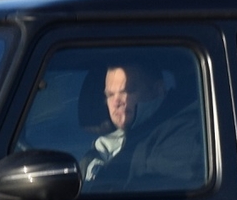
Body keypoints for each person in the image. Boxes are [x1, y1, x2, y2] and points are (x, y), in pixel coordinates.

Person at [83, 58, 201, 190]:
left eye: (128, 91)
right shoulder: (107, 146)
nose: (117, 102)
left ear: (158, 90)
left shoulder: (182, 131)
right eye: (110, 95)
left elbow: (151, 197)